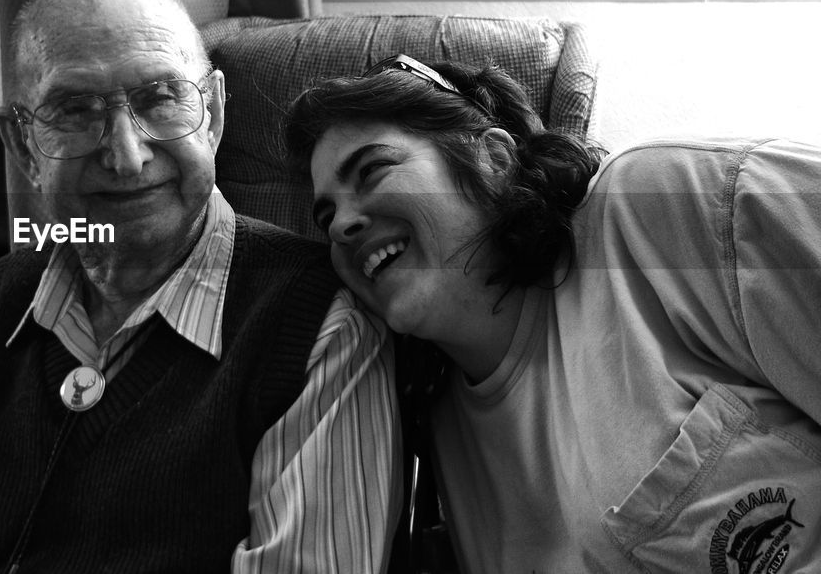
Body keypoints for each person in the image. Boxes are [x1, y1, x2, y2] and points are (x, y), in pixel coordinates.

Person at [0, 0, 400, 574]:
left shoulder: (317, 328)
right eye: (74, 110)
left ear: (215, 116)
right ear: (21, 147)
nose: (126, 154)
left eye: (161, 98)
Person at [284, 53, 821, 573]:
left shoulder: (668, 201)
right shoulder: (431, 441)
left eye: (373, 169)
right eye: (325, 213)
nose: (341, 225)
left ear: (492, 161)